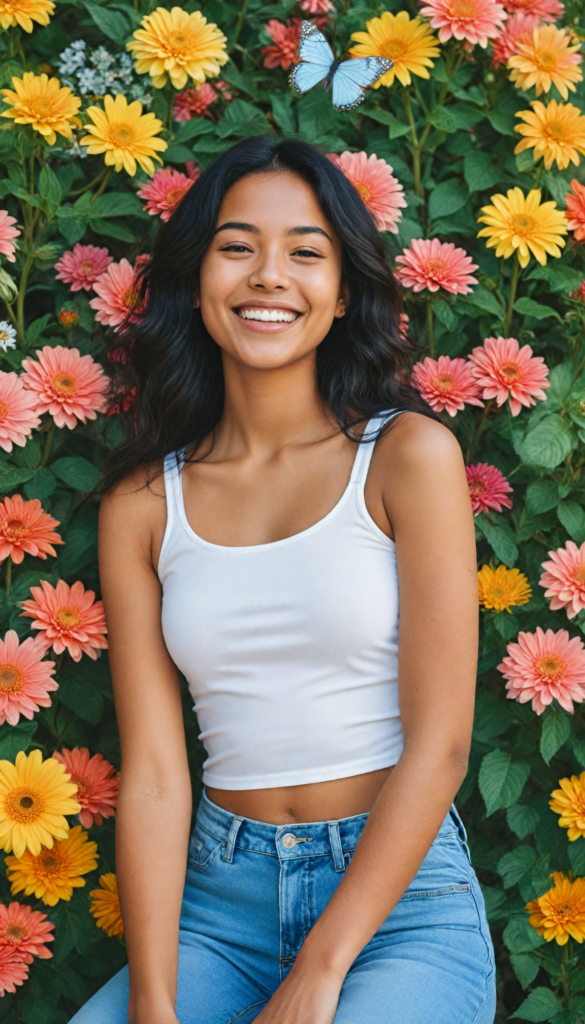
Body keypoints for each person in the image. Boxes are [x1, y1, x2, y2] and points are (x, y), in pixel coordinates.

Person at [71, 136, 496, 1024]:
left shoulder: (406, 457)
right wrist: (153, 1000)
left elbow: (442, 743)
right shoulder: (142, 502)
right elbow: (153, 773)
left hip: (397, 908)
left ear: (343, 294)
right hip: (217, 913)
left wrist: (320, 968)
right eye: (237, 247)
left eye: (305, 252)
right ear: (195, 281)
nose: (268, 275)